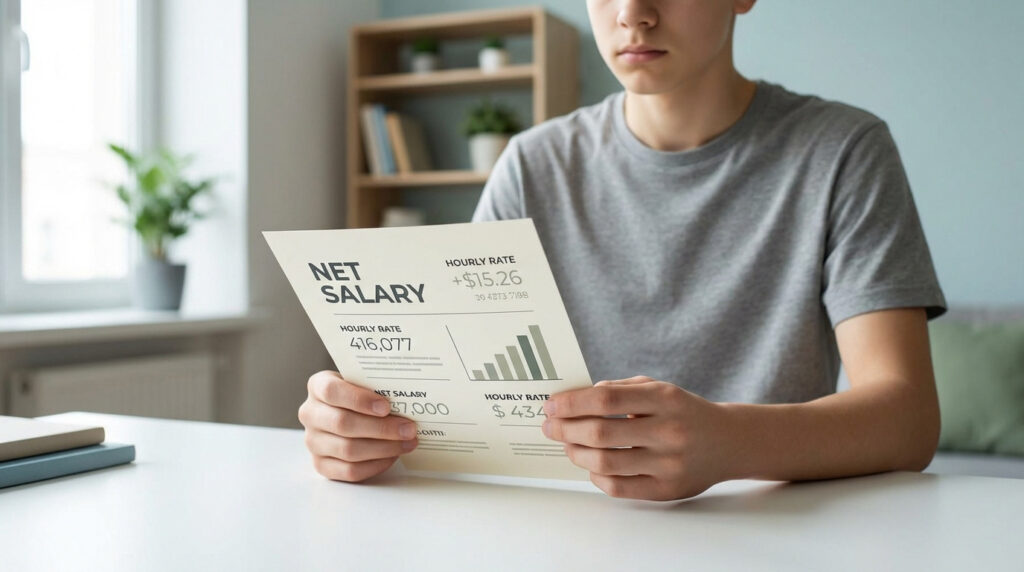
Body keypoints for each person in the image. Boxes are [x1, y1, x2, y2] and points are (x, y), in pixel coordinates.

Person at [299, 0, 947, 501]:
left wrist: (728, 443)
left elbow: (907, 418)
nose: (633, 11)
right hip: (564, 532)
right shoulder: (531, 165)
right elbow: (454, 397)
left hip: (770, 532)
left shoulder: (843, 152)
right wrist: (357, 424)